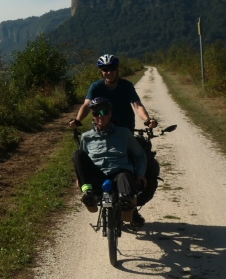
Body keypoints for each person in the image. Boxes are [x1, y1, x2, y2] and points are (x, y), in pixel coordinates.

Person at [68, 54, 159, 226]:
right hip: (102, 130)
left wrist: (147, 120)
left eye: (112, 69)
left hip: (124, 129)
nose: (108, 72)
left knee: (133, 162)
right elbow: (87, 105)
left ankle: (131, 207)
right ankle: (91, 195)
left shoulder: (126, 86)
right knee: (80, 154)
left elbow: (137, 105)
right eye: (105, 70)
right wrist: (78, 121)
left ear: (117, 70)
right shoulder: (96, 87)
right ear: (101, 72)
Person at [73, 97, 147, 225]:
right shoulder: (86, 137)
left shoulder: (124, 133)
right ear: (92, 116)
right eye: (96, 113)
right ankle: (89, 195)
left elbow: (140, 156)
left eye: (103, 112)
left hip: (120, 174)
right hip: (98, 175)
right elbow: (82, 162)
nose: (100, 116)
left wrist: (140, 173)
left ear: (110, 113)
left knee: (124, 177)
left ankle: (127, 206)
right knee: (77, 154)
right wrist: (80, 177)